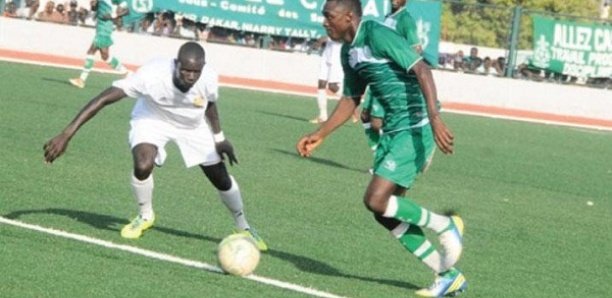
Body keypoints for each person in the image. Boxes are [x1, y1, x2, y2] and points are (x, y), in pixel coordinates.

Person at [296, 1, 466, 297]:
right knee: (385, 212)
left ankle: (446, 225)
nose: (324, 22)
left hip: (416, 126)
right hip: (393, 131)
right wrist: (320, 134)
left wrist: (435, 118)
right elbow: (351, 98)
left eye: (329, 16)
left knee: (375, 199)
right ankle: (446, 274)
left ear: (349, 17)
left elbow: (422, 70)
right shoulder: (349, 51)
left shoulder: (377, 34)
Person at [44, 41, 268, 251]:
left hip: (192, 126)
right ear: (176, 63)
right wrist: (66, 134)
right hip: (152, 118)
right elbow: (104, 98)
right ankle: (145, 215)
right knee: (142, 165)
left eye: (195, 72)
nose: (190, 76)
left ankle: (244, 226)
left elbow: (210, 104)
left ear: (202, 68)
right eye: (185, 70)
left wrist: (219, 138)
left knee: (220, 178)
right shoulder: (152, 75)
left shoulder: (208, 77)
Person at [361, 0, 423, 152]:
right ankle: (379, 157)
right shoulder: (390, 16)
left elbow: (416, 48)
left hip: (390, 77)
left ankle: (386, 159)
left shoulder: (405, 20)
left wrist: (399, 67)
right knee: (365, 116)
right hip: (379, 74)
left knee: (377, 122)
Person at [69, 0, 131, 89]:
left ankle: (81, 80)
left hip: (106, 26)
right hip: (101, 25)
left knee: (92, 51)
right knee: (104, 56)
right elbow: (95, 9)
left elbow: (127, 10)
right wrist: (94, 5)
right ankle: (126, 73)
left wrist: (114, 15)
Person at [309, 36, 344, 124]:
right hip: (326, 54)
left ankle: (350, 102)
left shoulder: (346, 23)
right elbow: (327, 36)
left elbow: (344, 38)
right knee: (321, 84)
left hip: (337, 57)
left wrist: (327, 38)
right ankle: (322, 116)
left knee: (332, 86)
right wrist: (318, 43)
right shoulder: (330, 24)